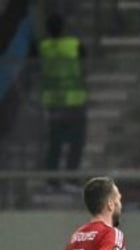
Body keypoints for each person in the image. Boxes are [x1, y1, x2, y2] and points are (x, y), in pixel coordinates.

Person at [39, 13, 87, 173]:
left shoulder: (43, 48)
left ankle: (52, 180)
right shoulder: (74, 45)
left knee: (55, 143)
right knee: (77, 141)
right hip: (74, 101)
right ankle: (70, 176)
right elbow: (85, 64)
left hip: (53, 101)